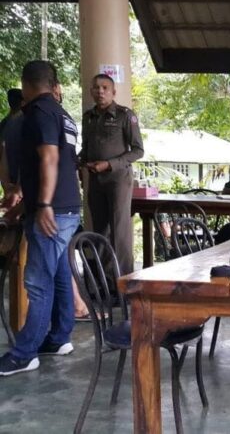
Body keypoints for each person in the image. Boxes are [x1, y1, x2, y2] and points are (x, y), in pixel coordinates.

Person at [0, 61, 81, 376]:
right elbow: (53, 165)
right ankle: (59, 337)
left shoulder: (38, 113)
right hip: (65, 207)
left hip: (53, 211)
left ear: (26, 84)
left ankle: (25, 353)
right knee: (58, 272)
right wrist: (25, 203)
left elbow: (49, 158)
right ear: (54, 83)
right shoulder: (63, 114)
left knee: (37, 282)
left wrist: (44, 204)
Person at [79, 74, 144, 275]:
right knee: (99, 230)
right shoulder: (88, 117)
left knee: (119, 231)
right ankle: (105, 281)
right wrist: (78, 162)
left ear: (113, 92)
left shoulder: (125, 115)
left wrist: (109, 164)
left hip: (118, 180)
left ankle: (124, 282)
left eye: (105, 88)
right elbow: (86, 148)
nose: (100, 91)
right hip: (95, 180)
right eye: (96, 87)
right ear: (91, 91)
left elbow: (138, 150)